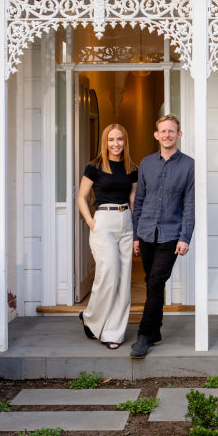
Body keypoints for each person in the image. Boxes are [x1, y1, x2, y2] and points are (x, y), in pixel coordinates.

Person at [129, 114, 194, 359]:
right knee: (152, 282)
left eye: (171, 131)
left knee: (156, 281)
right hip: (146, 232)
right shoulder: (146, 164)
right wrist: (136, 235)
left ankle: (144, 335)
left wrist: (185, 236)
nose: (167, 135)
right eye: (163, 131)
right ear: (156, 135)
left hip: (171, 234)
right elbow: (140, 200)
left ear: (179, 135)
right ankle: (155, 332)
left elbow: (189, 204)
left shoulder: (189, 165)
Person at [77, 123, 138, 350]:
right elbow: (82, 197)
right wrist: (92, 223)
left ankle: (114, 332)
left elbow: (133, 200)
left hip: (126, 223)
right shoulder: (94, 167)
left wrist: (136, 234)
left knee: (124, 281)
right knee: (108, 275)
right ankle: (91, 317)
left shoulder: (132, 167)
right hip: (104, 221)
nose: (116, 144)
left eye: (120, 139)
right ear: (105, 141)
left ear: (125, 141)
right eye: (111, 139)